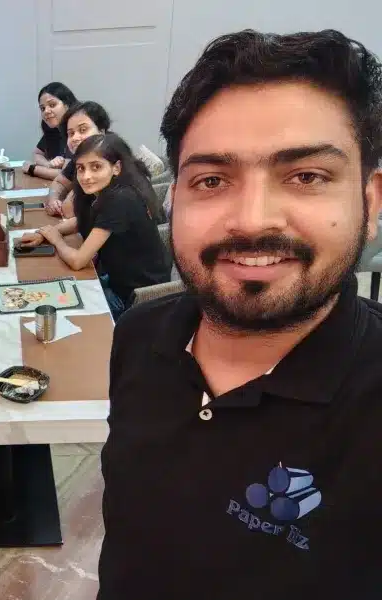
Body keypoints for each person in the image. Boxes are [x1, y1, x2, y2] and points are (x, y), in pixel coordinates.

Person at [98, 29, 382, 600]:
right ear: (174, 198)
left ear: (370, 201)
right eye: (211, 180)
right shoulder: (139, 334)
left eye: (306, 177)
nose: (252, 220)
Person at [19, 133, 171, 318]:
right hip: (116, 280)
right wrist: (45, 233)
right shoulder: (105, 190)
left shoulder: (121, 199)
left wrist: (56, 239)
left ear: (116, 168)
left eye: (96, 167)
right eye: (81, 168)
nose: (86, 176)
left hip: (136, 300)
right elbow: (81, 221)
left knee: (50, 303)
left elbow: (78, 261)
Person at [44, 101, 111, 216]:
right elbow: (60, 182)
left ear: (101, 131)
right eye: (71, 133)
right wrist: (53, 199)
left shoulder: (110, 163)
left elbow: (70, 210)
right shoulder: (81, 159)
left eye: (83, 130)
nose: (75, 138)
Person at [21, 82, 78, 181]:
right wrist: (48, 164)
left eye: (52, 105)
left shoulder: (76, 131)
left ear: (67, 105)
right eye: (42, 108)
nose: (46, 111)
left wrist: (32, 169)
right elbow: (37, 154)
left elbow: (69, 175)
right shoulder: (54, 130)